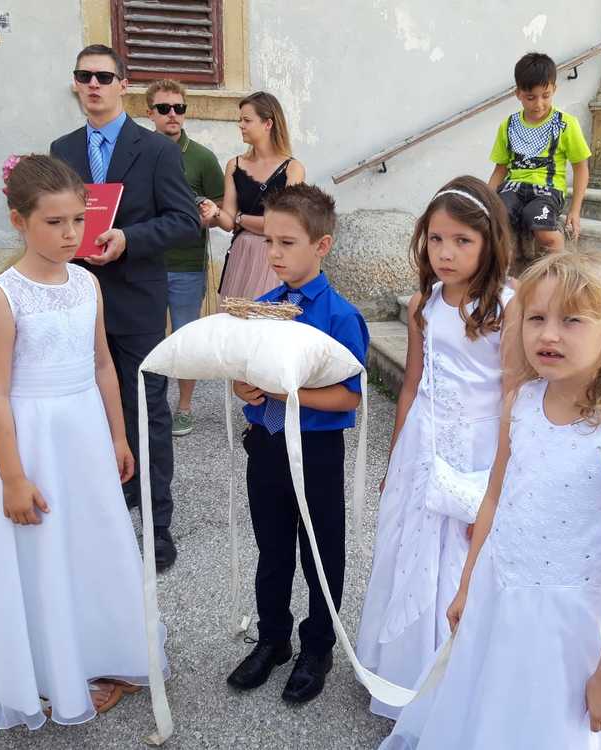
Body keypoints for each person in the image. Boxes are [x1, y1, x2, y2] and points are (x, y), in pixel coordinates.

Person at [381, 252, 601, 749]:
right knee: (483, 706)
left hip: (562, 623)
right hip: (496, 590)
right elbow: (495, 498)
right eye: (536, 318)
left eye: (571, 320)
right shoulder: (521, 402)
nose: (548, 335)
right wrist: (467, 585)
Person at [0, 155, 168, 729]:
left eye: (77, 221)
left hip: (85, 433)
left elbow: (103, 365)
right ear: (19, 221)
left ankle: (101, 650)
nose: (70, 234)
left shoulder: (87, 282)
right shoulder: (3, 296)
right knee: (42, 549)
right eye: (54, 223)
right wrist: (13, 477)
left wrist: (118, 435)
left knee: (91, 540)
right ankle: (47, 668)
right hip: (34, 442)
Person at [355, 176, 513, 719]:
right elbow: (411, 383)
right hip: (422, 442)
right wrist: (396, 455)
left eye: (462, 241)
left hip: (477, 446)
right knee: (411, 548)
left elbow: (513, 395)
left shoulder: (506, 307)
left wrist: (502, 479)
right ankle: (404, 669)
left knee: (462, 549)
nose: (446, 253)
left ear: (490, 242)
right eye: (437, 239)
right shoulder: (424, 303)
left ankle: (453, 680)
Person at [51, 45, 200, 571]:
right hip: (76, 299)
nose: (93, 84)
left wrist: (129, 238)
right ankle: (109, 506)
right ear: (76, 84)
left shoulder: (155, 149)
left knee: (145, 408)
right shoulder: (62, 148)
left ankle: (157, 525)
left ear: (122, 84)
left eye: (103, 76)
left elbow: (185, 221)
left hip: (135, 299)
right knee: (89, 408)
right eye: (84, 76)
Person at [226, 184, 368, 705]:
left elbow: (349, 395)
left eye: (287, 243)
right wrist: (243, 387)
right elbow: (245, 372)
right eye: (270, 242)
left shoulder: (340, 316)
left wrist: (292, 394)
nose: (275, 253)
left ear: (321, 245)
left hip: (315, 450)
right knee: (272, 547)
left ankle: (318, 646)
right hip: (265, 444)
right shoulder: (262, 308)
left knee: (320, 551)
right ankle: (273, 638)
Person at [146, 79, 225, 437]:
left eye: (179, 108)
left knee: (185, 338)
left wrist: (208, 213)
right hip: (145, 262)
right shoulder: (139, 151)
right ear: (150, 112)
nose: (172, 115)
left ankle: (185, 407)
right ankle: (151, 406)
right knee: (146, 338)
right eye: (164, 108)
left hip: (187, 264)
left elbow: (221, 207)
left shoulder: (202, 157)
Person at [198, 91, 305, 300]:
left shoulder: (293, 169)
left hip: (274, 257)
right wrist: (215, 211)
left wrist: (240, 218)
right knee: (235, 317)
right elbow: (227, 222)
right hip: (241, 255)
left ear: (268, 124)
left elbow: (281, 225)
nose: (241, 125)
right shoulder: (235, 165)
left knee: (265, 316)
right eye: (240, 120)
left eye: (247, 120)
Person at [487, 52, 591, 259]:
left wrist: (575, 210)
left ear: (554, 90)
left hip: (547, 191)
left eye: (546, 95)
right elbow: (500, 169)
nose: (539, 104)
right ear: (518, 93)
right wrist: (485, 198)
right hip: (512, 189)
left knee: (542, 227)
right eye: (530, 97)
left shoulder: (566, 124)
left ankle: (560, 268)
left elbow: (581, 168)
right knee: (496, 221)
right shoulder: (508, 125)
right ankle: (500, 273)